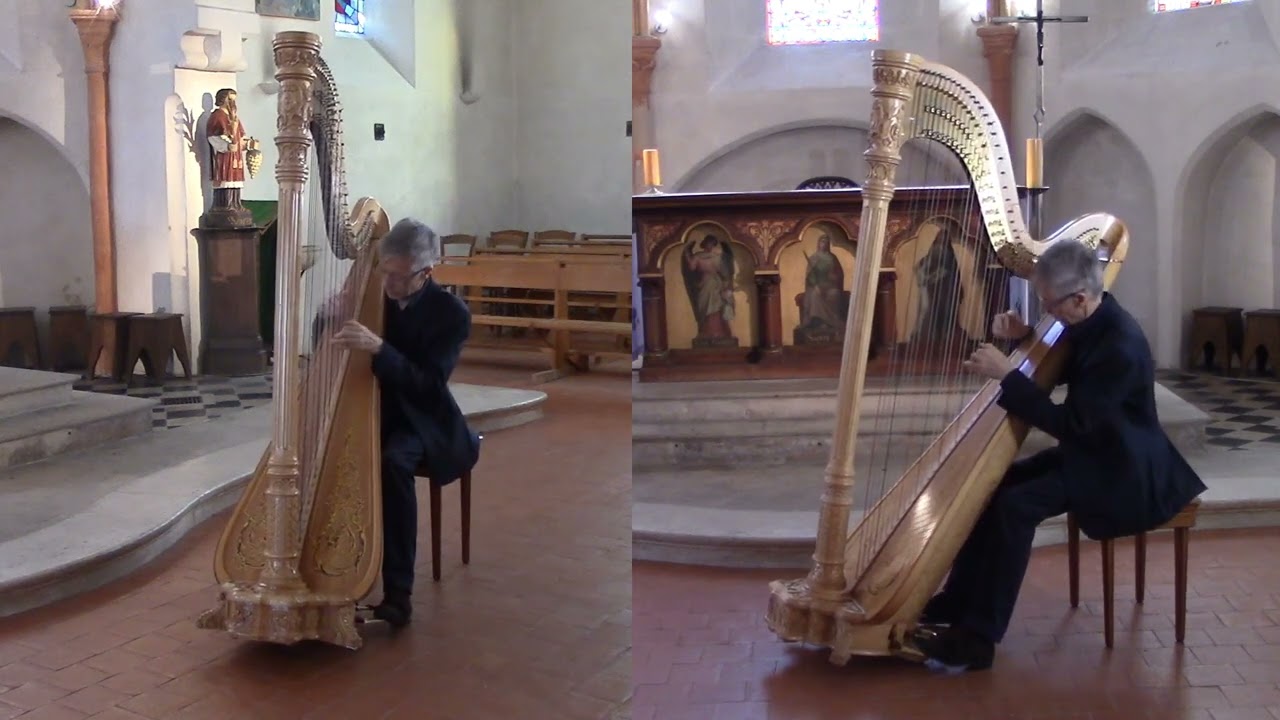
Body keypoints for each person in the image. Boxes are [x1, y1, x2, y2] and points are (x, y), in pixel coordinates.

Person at [912, 238, 1207, 673]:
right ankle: (959, 601)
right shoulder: (1096, 321)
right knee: (994, 485)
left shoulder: (1120, 345)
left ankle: (979, 638)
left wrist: (1009, 377)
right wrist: (1026, 337)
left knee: (1015, 508)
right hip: (1094, 452)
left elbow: (1070, 424)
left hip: (1119, 469)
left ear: (1080, 298)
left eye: (1050, 305)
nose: (1048, 313)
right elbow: (1072, 372)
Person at [329, 218, 481, 628]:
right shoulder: (372, 294)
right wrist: (327, 317)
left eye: (397, 276)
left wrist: (380, 348)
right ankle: (335, 563)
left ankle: (398, 594)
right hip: (372, 407)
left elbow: (429, 385)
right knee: (330, 451)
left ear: (425, 273)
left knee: (392, 462)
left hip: (421, 419)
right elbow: (331, 340)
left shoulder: (451, 314)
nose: (388, 283)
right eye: (384, 271)